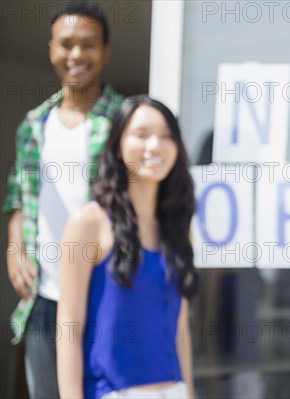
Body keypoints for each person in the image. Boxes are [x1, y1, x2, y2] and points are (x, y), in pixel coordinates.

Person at [3, 1, 123, 397]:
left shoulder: (124, 122)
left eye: (88, 44)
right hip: (44, 297)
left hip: (104, 295)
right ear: (52, 49)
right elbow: (18, 196)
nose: (76, 55)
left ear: (105, 51)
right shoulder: (33, 126)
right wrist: (15, 247)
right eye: (66, 44)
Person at [56, 95, 198, 398]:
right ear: (118, 146)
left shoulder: (180, 231)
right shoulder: (88, 223)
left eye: (166, 136)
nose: (154, 146)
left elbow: (180, 330)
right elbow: (69, 327)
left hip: (174, 390)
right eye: (141, 134)